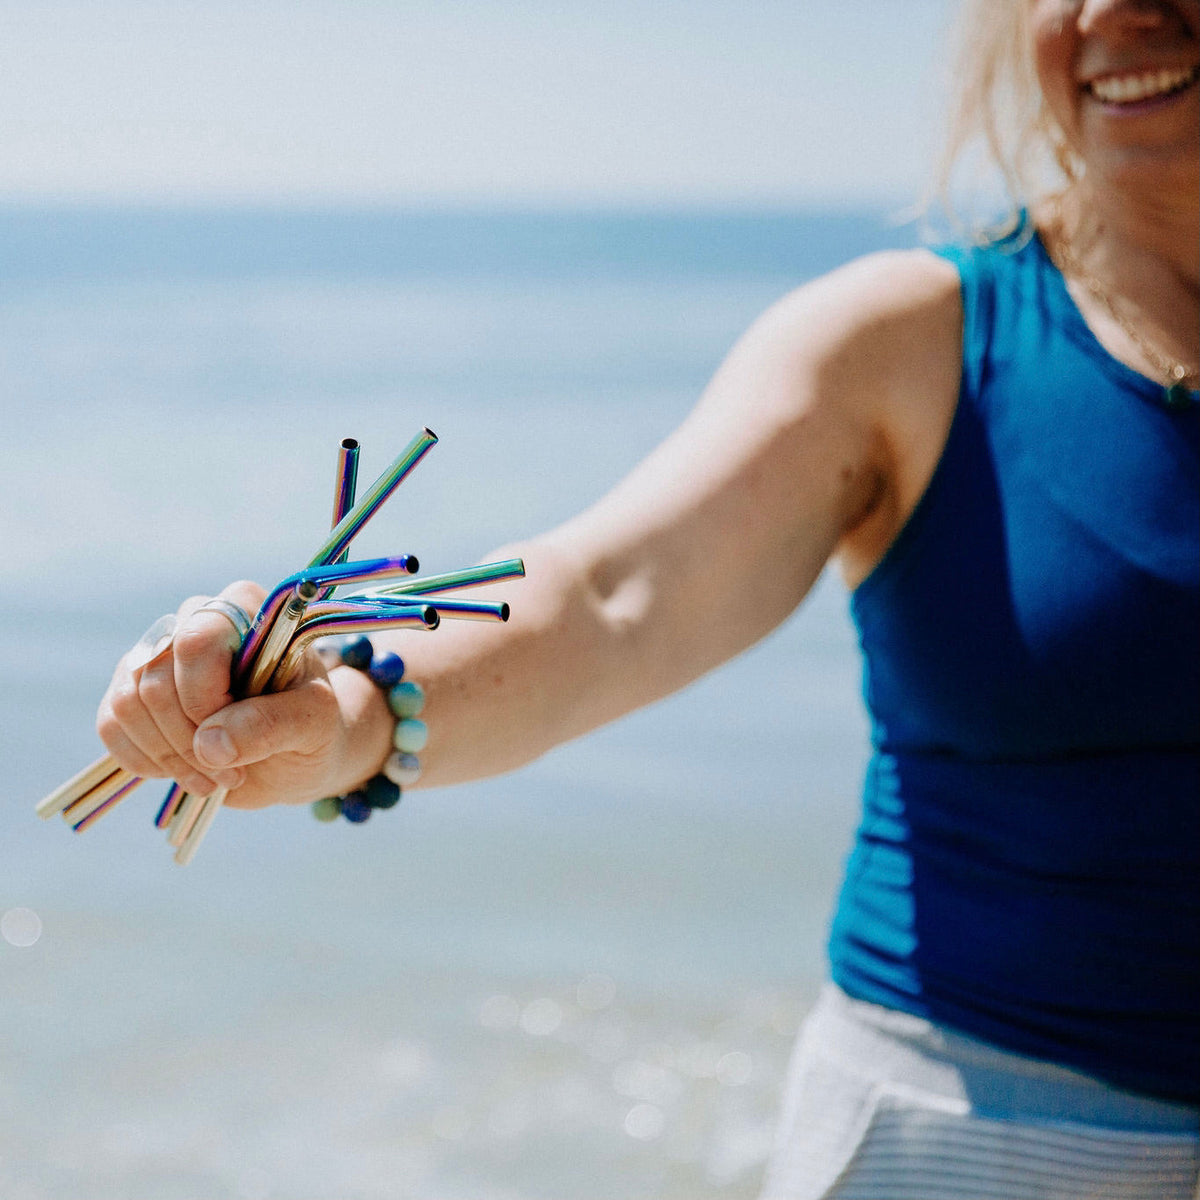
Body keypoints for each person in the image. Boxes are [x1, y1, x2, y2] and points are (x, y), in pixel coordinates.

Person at [96, 0, 1199, 1194]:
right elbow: (614, 599)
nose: (1105, 12)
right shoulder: (913, 341)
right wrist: (348, 719)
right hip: (979, 1146)